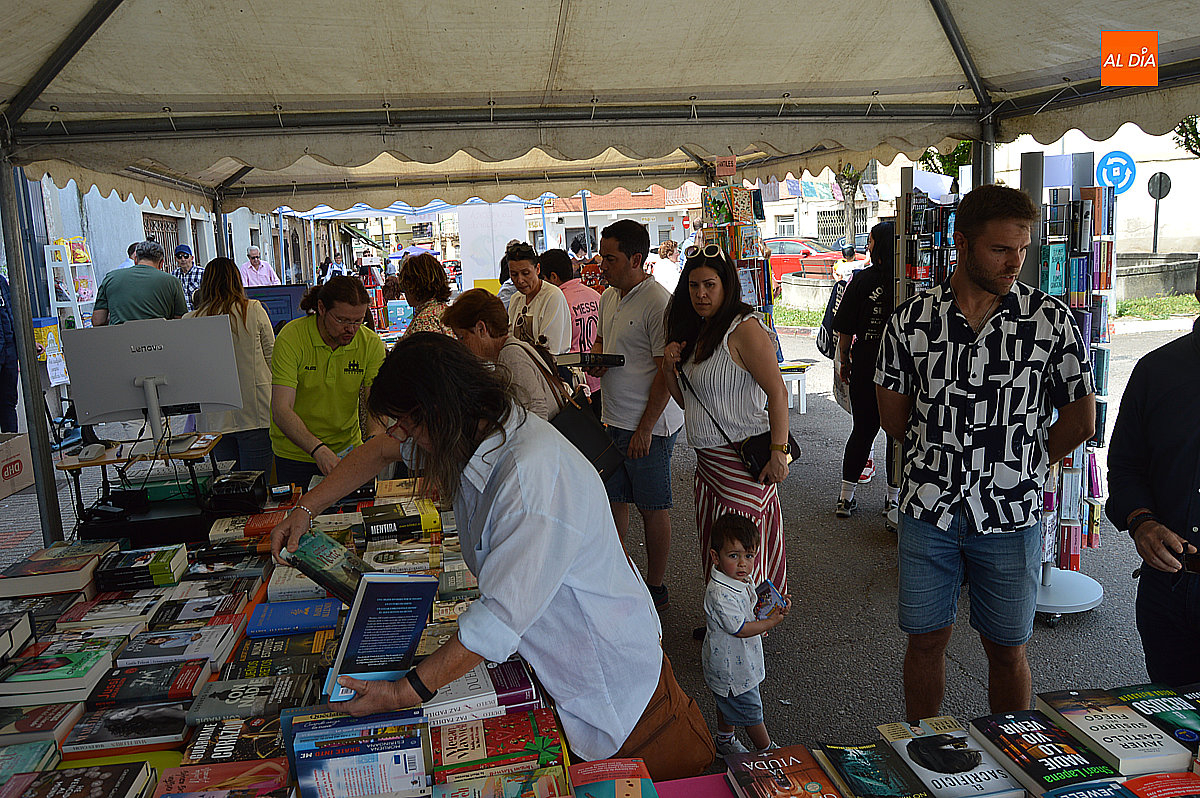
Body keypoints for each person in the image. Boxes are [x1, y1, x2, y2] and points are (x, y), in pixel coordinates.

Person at [270, 333, 713, 780]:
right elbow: (380, 451)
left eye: (407, 424)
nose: (402, 437)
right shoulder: (477, 431)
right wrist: (306, 509)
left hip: (617, 695)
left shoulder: (527, 475)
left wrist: (404, 693)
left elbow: (495, 623)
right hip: (560, 666)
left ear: (438, 412)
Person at [875, 184, 1096, 722]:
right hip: (929, 508)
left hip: (1011, 511)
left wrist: (1026, 461)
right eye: (1000, 249)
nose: (1014, 262)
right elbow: (894, 420)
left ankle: (1015, 749)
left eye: (1023, 249)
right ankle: (926, 746)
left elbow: (1082, 418)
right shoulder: (910, 322)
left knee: (1007, 647)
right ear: (962, 242)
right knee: (925, 641)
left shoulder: (1049, 321)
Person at [661, 244, 791, 600]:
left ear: (726, 285)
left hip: (741, 464)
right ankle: (725, 619)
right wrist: (668, 368)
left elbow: (777, 393)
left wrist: (779, 452)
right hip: (708, 469)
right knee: (719, 551)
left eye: (709, 285)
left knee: (743, 553)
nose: (700, 294)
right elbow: (689, 403)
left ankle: (750, 625)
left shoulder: (745, 328)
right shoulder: (699, 330)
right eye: (693, 286)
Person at [1106, 264, 1200, 687]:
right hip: (1170, 586)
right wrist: (1141, 521)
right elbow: (1125, 466)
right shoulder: (1157, 371)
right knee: (1173, 729)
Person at [591, 219, 684, 612]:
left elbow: (667, 372)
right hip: (613, 418)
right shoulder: (609, 296)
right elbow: (602, 341)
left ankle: (656, 585)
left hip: (651, 426)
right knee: (615, 501)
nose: (601, 265)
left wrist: (646, 428)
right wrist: (595, 360)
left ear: (636, 258)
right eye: (601, 256)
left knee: (652, 506)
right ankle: (620, 574)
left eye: (610, 258)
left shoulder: (658, 302)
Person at [269, 276, 386, 487]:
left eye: (358, 321)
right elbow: (281, 409)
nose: (351, 329)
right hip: (296, 454)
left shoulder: (370, 344)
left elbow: (376, 405)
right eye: (342, 320)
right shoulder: (291, 338)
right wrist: (317, 449)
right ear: (321, 308)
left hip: (348, 450)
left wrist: (373, 442)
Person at [703, 513, 790, 755]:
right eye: (734, 556)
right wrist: (772, 622)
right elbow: (741, 629)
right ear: (715, 557)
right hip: (732, 668)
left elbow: (750, 609)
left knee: (727, 702)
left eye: (749, 556)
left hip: (735, 663)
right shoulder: (720, 593)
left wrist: (774, 606)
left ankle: (724, 740)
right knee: (751, 711)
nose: (743, 564)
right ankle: (767, 750)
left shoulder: (738, 579)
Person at [185, 258, 275, 473]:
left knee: (227, 487)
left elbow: (188, 370)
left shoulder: (191, 319)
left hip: (213, 420)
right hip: (255, 412)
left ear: (205, 284)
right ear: (237, 280)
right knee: (257, 485)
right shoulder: (253, 310)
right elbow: (273, 357)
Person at [832, 221, 897, 519]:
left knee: (863, 429)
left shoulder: (860, 281)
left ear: (875, 244)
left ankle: (846, 498)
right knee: (898, 434)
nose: (867, 245)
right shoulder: (905, 283)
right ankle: (893, 500)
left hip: (866, 365)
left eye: (869, 240)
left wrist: (844, 360)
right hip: (899, 369)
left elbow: (845, 328)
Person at [443, 289, 558, 420]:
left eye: (462, 337)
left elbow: (537, 414)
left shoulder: (511, 355)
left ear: (481, 329)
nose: (461, 345)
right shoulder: (512, 349)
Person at [540, 248, 602, 397]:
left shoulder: (557, 303)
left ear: (553, 277)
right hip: (600, 378)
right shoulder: (596, 296)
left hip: (574, 382)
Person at [92, 240, 187, 326]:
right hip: (159, 340)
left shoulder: (111, 278)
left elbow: (98, 320)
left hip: (120, 340)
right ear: (161, 263)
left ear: (136, 259)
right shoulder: (172, 281)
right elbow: (180, 320)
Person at [507, 242, 570, 354]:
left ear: (537, 269)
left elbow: (549, 348)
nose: (520, 280)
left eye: (526, 273)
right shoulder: (515, 299)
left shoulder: (553, 295)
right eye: (514, 274)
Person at [398, 254, 453, 337]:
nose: (404, 292)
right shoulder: (443, 310)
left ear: (414, 286)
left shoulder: (424, 320)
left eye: (405, 287)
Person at [0, 274, 17, 432]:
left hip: (9, 348)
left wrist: (25, 344)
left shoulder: (1, 281)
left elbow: (12, 315)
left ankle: (12, 448)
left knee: (9, 401)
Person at [171, 244, 205, 312]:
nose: (183, 259)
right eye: (179, 257)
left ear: (192, 258)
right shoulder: (173, 275)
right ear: (176, 259)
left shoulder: (202, 273)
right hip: (182, 316)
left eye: (186, 256)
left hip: (199, 314)